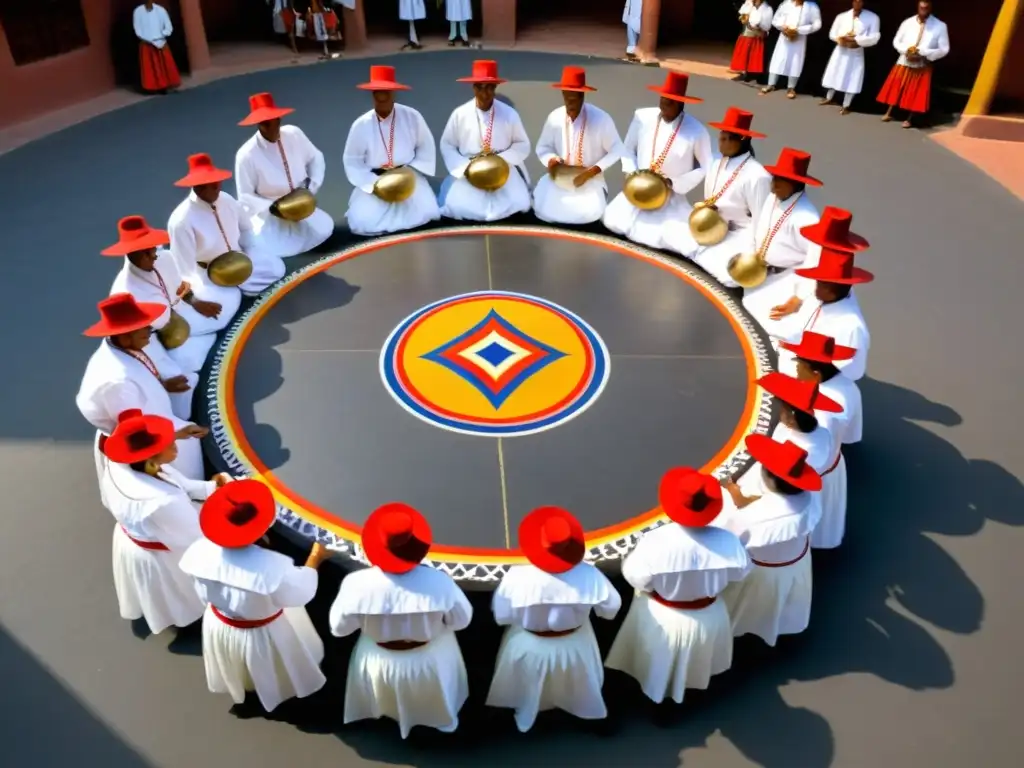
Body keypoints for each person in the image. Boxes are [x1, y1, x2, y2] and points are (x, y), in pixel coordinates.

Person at [179, 479, 334, 713]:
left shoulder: (198, 551)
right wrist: (316, 558)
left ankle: (250, 693)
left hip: (221, 622)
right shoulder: (271, 568)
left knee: (243, 667)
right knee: (279, 667)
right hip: (265, 631)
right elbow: (301, 591)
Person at [605, 468, 751, 710]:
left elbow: (636, 577)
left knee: (655, 663)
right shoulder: (728, 542)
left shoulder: (656, 541)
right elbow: (740, 572)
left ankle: (655, 704)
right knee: (697, 665)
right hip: (709, 614)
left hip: (663, 616)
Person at [329, 503, 472, 739]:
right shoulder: (441, 582)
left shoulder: (356, 584)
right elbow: (461, 621)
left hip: (378, 658)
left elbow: (339, 629)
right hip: (430, 659)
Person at [487, 506, 622, 733]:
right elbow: (611, 609)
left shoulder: (516, 577)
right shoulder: (590, 575)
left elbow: (502, 616)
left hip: (528, 644)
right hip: (576, 644)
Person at [101, 409, 227, 634]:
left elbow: (181, 484)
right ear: (150, 458)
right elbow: (195, 537)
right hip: (162, 547)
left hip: (144, 533)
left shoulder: (124, 463)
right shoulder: (163, 501)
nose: (176, 446)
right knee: (179, 591)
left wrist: (211, 487)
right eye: (170, 444)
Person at [77, 294, 208, 482]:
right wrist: (177, 434)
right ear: (124, 334)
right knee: (186, 475)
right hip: (149, 437)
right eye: (143, 327)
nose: (149, 330)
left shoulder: (122, 346)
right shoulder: (118, 383)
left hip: (155, 420)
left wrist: (161, 385)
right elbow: (136, 436)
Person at [717, 435, 822, 646]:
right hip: (796, 562)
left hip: (761, 573)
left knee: (746, 607)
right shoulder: (809, 499)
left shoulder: (752, 517)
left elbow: (730, 540)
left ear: (771, 479)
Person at [105, 215, 240, 374]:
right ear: (130, 254)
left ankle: (205, 336)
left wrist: (195, 302)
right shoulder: (124, 292)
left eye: (153, 249)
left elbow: (179, 287)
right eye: (146, 253)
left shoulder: (164, 258)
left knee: (231, 296)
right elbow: (136, 339)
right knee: (188, 362)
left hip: (183, 312)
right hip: (161, 337)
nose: (154, 256)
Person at [603, 72, 713, 250]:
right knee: (613, 222)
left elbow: (706, 167)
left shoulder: (697, 131)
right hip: (638, 189)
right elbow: (628, 148)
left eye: (670, 102)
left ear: (681, 103)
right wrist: (632, 174)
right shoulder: (642, 117)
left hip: (669, 195)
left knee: (660, 238)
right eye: (663, 99)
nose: (664, 105)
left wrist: (673, 182)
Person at [662, 107, 771, 286]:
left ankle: (709, 257)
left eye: (728, 139)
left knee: (728, 276)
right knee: (669, 230)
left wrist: (756, 257)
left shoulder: (758, 176)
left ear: (743, 140)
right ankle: (703, 254)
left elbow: (762, 221)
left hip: (739, 234)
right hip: (712, 226)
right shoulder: (714, 164)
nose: (722, 143)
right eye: (721, 137)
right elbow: (709, 199)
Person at [782, 331, 862, 549]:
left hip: (814, 473)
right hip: (834, 464)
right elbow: (851, 435)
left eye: (800, 367)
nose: (796, 371)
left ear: (815, 374)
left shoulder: (817, 413)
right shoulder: (848, 388)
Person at [771, 207, 872, 380]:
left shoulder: (850, 326)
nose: (815, 286)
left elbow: (850, 371)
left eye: (821, 283)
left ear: (834, 289)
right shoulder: (819, 296)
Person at [167, 153, 284, 298]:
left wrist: (251, 252)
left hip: (240, 260)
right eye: (207, 184)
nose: (215, 187)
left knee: (276, 269)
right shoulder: (181, 220)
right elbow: (184, 267)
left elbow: (246, 228)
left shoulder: (227, 200)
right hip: (209, 273)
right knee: (225, 300)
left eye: (216, 182)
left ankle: (243, 288)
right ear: (197, 188)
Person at [343, 65, 441, 235]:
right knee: (363, 221)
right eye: (377, 94)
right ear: (373, 95)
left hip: (405, 176)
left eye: (386, 93)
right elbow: (352, 160)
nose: (382, 98)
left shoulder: (412, 116)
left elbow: (425, 146)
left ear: (394, 93)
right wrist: (371, 184)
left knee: (426, 211)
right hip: (376, 179)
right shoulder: (361, 124)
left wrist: (412, 172)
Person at [235, 93, 334, 261]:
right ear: (258, 124)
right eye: (266, 124)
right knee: (272, 247)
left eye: (276, 122)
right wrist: (274, 207)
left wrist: (311, 186)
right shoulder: (246, 155)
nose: (273, 128)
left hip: (302, 205)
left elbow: (315, 157)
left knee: (323, 231)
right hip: (272, 215)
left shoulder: (294, 134)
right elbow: (245, 196)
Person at [439, 60, 532, 222]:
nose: (484, 93)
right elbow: (447, 144)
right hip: (470, 171)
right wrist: (464, 167)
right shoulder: (460, 114)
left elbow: (522, 144)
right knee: (458, 206)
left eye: (489, 87)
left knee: (520, 203)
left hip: (502, 170)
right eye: (479, 87)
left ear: (495, 87)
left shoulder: (509, 114)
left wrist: (500, 160)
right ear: (473, 87)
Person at [739, 147, 821, 332]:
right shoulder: (773, 198)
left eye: (779, 179)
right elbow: (761, 229)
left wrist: (797, 298)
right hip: (760, 273)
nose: (773, 183)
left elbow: (815, 261)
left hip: (785, 282)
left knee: (774, 331)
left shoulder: (807, 218)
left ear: (795, 183)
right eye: (774, 177)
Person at [533, 66, 625, 226]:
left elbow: (617, 149)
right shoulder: (555, 117)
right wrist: (551, 160)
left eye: (574, 98)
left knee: (589, 214)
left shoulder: (601, 119)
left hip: (590, 180)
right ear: (562, 94)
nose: (570, 102)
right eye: (567, 97)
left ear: (582, 95)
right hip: (561, 177)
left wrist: (595, 169)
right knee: (543, 207)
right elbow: (543, 147)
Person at [877, 0, 950, 129]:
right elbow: (897, 40)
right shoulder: (908, 22)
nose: (923, 10)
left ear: (930, 8)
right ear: (918, 7)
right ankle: (889, 112)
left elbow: (944, 49)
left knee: (915, 91)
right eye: (921, 7)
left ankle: (910, 118)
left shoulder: (940, 26)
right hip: (905, 58)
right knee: (897, 86)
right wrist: (906, 51)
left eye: (926, 8)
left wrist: (924, 53)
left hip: (922, 62)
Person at [819, 0, 881, 114]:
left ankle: (846, 104)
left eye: (860, 1)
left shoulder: (872, 17)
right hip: (841, 50)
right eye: (855, 1)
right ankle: (829, 97)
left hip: (855, 51)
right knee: (834, 72)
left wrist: (857, 40)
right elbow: (832, 33)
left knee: (853, 76)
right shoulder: (842, 16)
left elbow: (875, 37)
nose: (857, 4)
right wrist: (841, 38)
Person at [760, 0, 822, 99]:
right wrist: (783, 27)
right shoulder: (786, 3)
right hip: (784, 37)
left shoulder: (812, 6)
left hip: (799, 38)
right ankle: (771, 84)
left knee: (795, 61)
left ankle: (791, 87)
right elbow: (775, 20)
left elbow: (817, 24)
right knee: (778, 59)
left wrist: (800, 30)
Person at [133, 2, 180, 94]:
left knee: (165, 65)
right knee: (151, 67)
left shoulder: (161, 10)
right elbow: (138, 30)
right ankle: (153, 88)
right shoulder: (138, 12)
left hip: (161, 41)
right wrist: (149, 40)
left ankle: (167, 85)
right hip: (147, 43)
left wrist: (161, 36)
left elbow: (168, 27)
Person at [730, 1, 774, 82]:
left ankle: (752, 74)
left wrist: (758, 27)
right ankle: (743, 72)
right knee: (744, 53)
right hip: (747, 32)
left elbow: (767, 26)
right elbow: (743, 14)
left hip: (758, 34)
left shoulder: (767, 9)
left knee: (754, 54)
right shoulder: (750, 5)